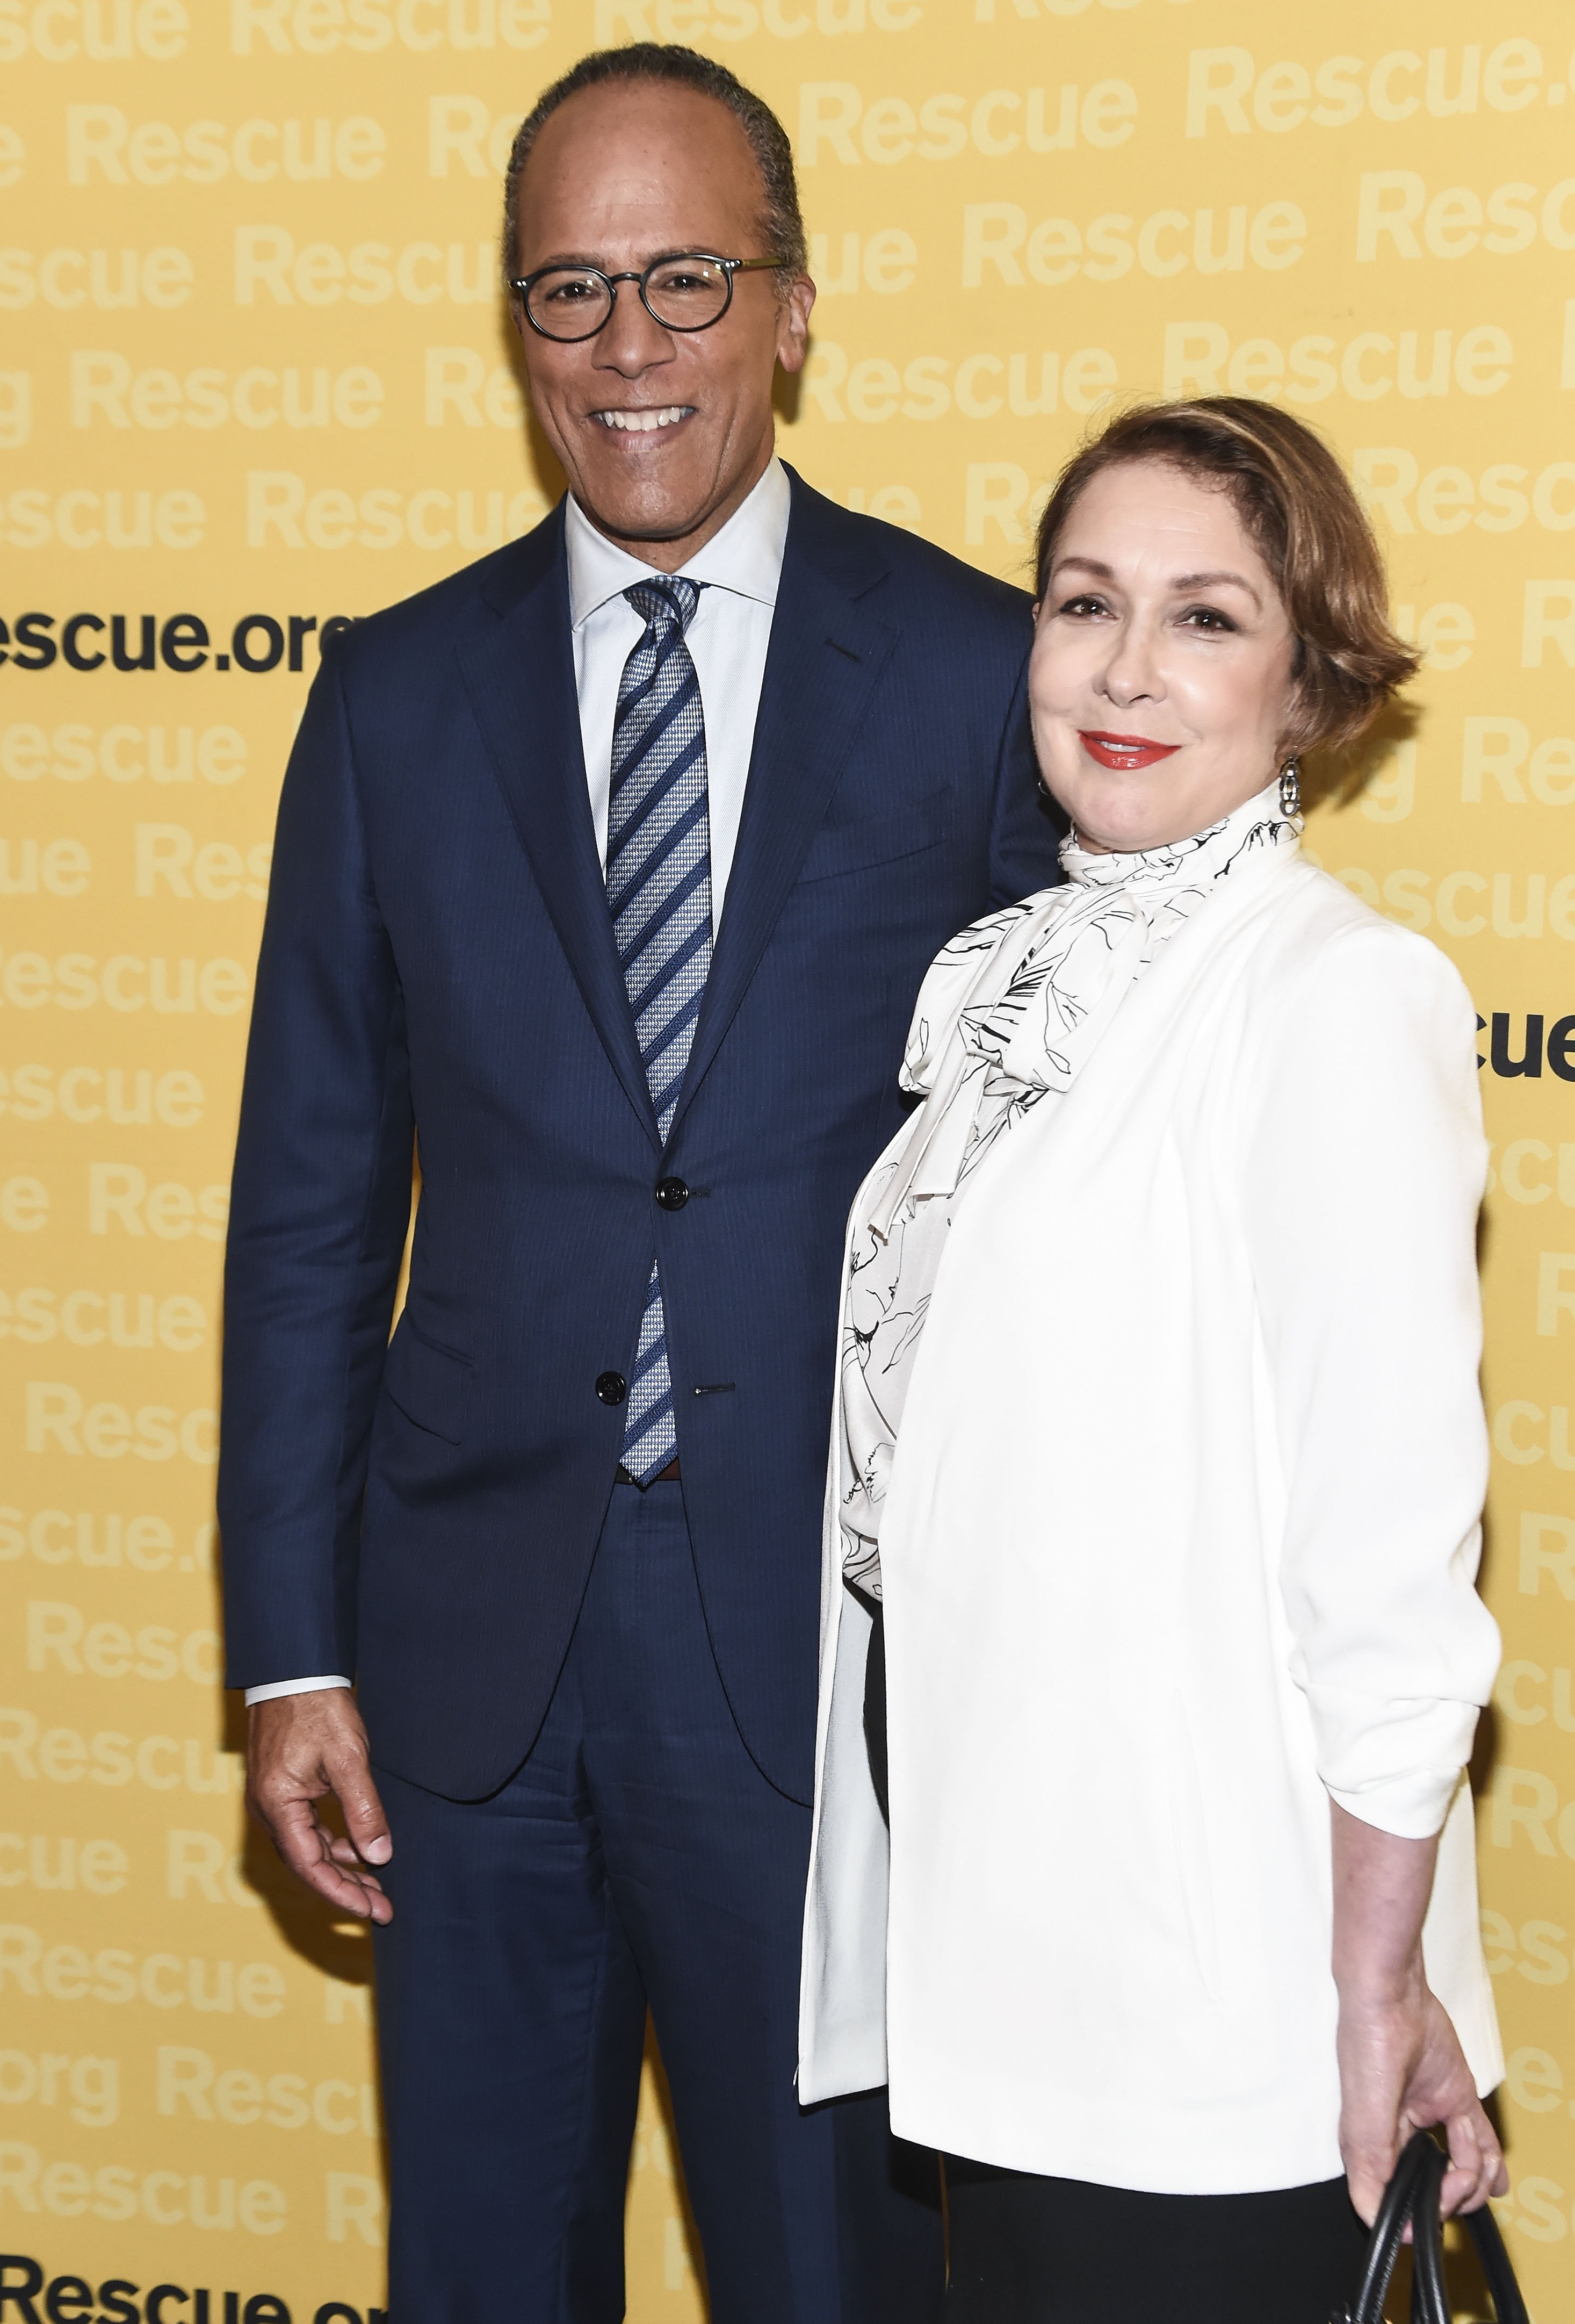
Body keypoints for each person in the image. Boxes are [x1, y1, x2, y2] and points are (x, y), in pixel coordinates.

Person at [218, 40, 1056, 2324]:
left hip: (826, 1651)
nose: (630, 347)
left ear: (795, 305)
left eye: (687, 278)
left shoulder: (987, 670)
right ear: (513, 326)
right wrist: (291, 1648)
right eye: (569, 291)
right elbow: (309, 1198)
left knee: (828, 2282)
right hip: (458, 1665)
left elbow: (1062, 1202)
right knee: (483, 2277)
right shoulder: (392, 695)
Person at [798, 398, 1507, 2323]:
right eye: (1081, 601)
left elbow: (1387, 1577)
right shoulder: (1022, 983)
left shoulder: (1331, 995)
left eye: (1204, 618)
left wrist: (1377, 1988)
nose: (1121, 669)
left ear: (1307, 684)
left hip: (1208, 2017)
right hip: (1015, 1965)